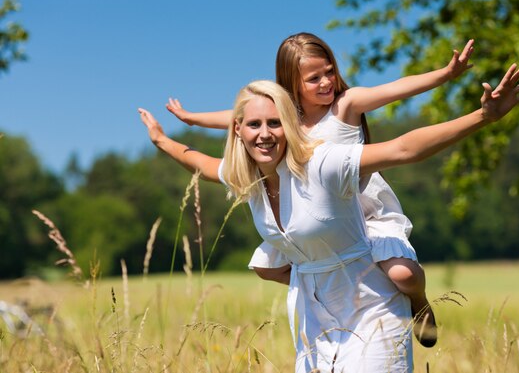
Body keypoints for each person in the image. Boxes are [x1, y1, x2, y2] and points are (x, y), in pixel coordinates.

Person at [138, 66, 519, 372]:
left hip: (372, 305)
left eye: (274, 123)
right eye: (254, 125)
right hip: (313, 319)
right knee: (264, 266)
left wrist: (483, 118)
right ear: (237, 130)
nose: (264, 134)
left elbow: (403, 148)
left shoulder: (323, 162)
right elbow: (199, 162)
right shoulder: (246, 176)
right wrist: (161, 140)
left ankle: (418, 302)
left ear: (290, 126)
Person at [165, 32, 475, 347]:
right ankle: (325, 285)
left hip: (364, 209)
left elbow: (393, 90)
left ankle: (419, 302)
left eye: (329, 71)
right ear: (292, 85)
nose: (327, 82)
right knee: (265, 267)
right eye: (314, 78)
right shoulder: (287, 118)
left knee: (403, 275)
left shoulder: (345, 105)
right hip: (313, 212)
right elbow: (238, 117)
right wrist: (191, 119)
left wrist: (446, 75)